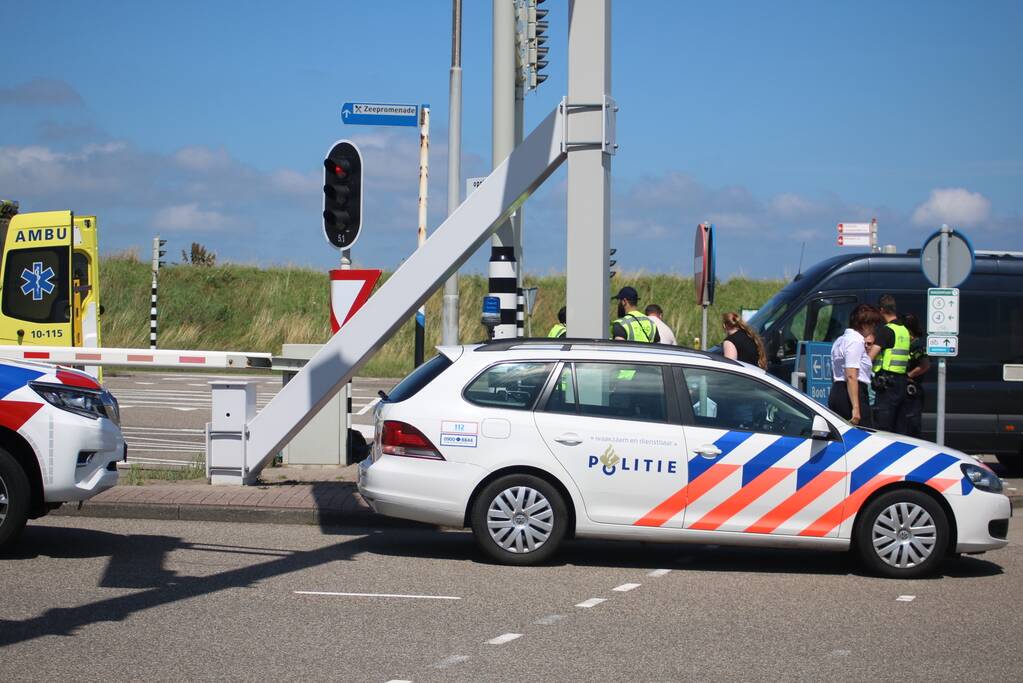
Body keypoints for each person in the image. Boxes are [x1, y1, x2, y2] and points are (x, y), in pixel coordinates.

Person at [828, 304, 883, 426]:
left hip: (837, 390)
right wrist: (856, 408)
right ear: (864, 325)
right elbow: (851, 375)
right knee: (862, 437)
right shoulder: (856, 341)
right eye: (872, 324)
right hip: (853, 394)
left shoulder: (840, 340)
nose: (873, 329)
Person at [868, 294, 912, 432]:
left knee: (883, 425)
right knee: (898, 424)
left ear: (881, 310)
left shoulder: (886, 331)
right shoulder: (904, 331)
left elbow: (870, 357)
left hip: (887, 383)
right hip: (901, 381)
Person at [898, 312, 931, 438]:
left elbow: (925, 365)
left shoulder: (916, 345)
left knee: (912, 425)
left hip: (913, 391)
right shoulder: (907, 344)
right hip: (905, 390)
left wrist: (908, 376)